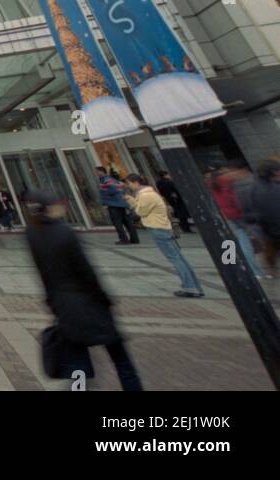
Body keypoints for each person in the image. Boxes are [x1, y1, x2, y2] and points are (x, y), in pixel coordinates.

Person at [23, 191, 142, 391]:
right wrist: (103, 298)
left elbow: (41, 272)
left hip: (63, 306)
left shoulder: (32, 233)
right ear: (51, 206)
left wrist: (52, 302)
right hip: (89, 302)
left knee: (78, 365)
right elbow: (86, 271)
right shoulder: (65, 233)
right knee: (121, 360)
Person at [125, 174, 203, 297]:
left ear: (136, 183)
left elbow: (140, 212)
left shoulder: (146, 196)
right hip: (163, 228)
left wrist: (131, 201)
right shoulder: (149, 194)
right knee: (179, 258)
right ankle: (194, 286)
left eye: (129, 183)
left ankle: (190, 287)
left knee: (175, 259)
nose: (128, 186)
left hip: (158, 228)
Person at [207, 164, 263, 278]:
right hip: (243, 215)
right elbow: (236, 199)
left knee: (244, 244)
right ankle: (257, 270)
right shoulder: (228, 182)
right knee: (260, 238)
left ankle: (255, 271)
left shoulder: (212, 185)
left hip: (230, 216)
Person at [250, 157, 280, 278]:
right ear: (272, 172)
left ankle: (271, 271)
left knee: (270, 253)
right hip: (273, 230)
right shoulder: (271, 189)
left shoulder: (256, 187)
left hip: (268, 231)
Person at [98, 166, 139, 244]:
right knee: (127, 222)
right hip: (121, 203)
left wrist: (104, 200)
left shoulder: (107, 180)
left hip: (114, 204)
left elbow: (112, 190)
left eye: (97, 171)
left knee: (117, 223)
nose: (96, 173)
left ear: (102, 171)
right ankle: (134, 239)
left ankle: (124, 239)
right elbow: (120, 188)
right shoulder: (113, 180)